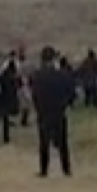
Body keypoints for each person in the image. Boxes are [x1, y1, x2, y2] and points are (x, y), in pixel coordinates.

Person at [29, 46, 75, 177]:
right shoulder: (61, 75)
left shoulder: (38, 76)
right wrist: (65, 104)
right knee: (63, 143)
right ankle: (66, 169)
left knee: (44, 143)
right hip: (59, 111)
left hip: (44, 113)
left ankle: (44, 170)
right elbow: (70, 92)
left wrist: (39, 109)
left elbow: (35, 95)